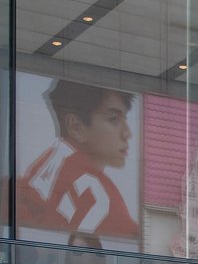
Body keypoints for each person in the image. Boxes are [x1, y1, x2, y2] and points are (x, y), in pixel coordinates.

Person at [17, 80, 139, 242]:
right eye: (114, 119)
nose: (127, 133)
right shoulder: (95, 190)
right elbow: (130, 246)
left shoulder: (46, 162)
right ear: (76, 127)